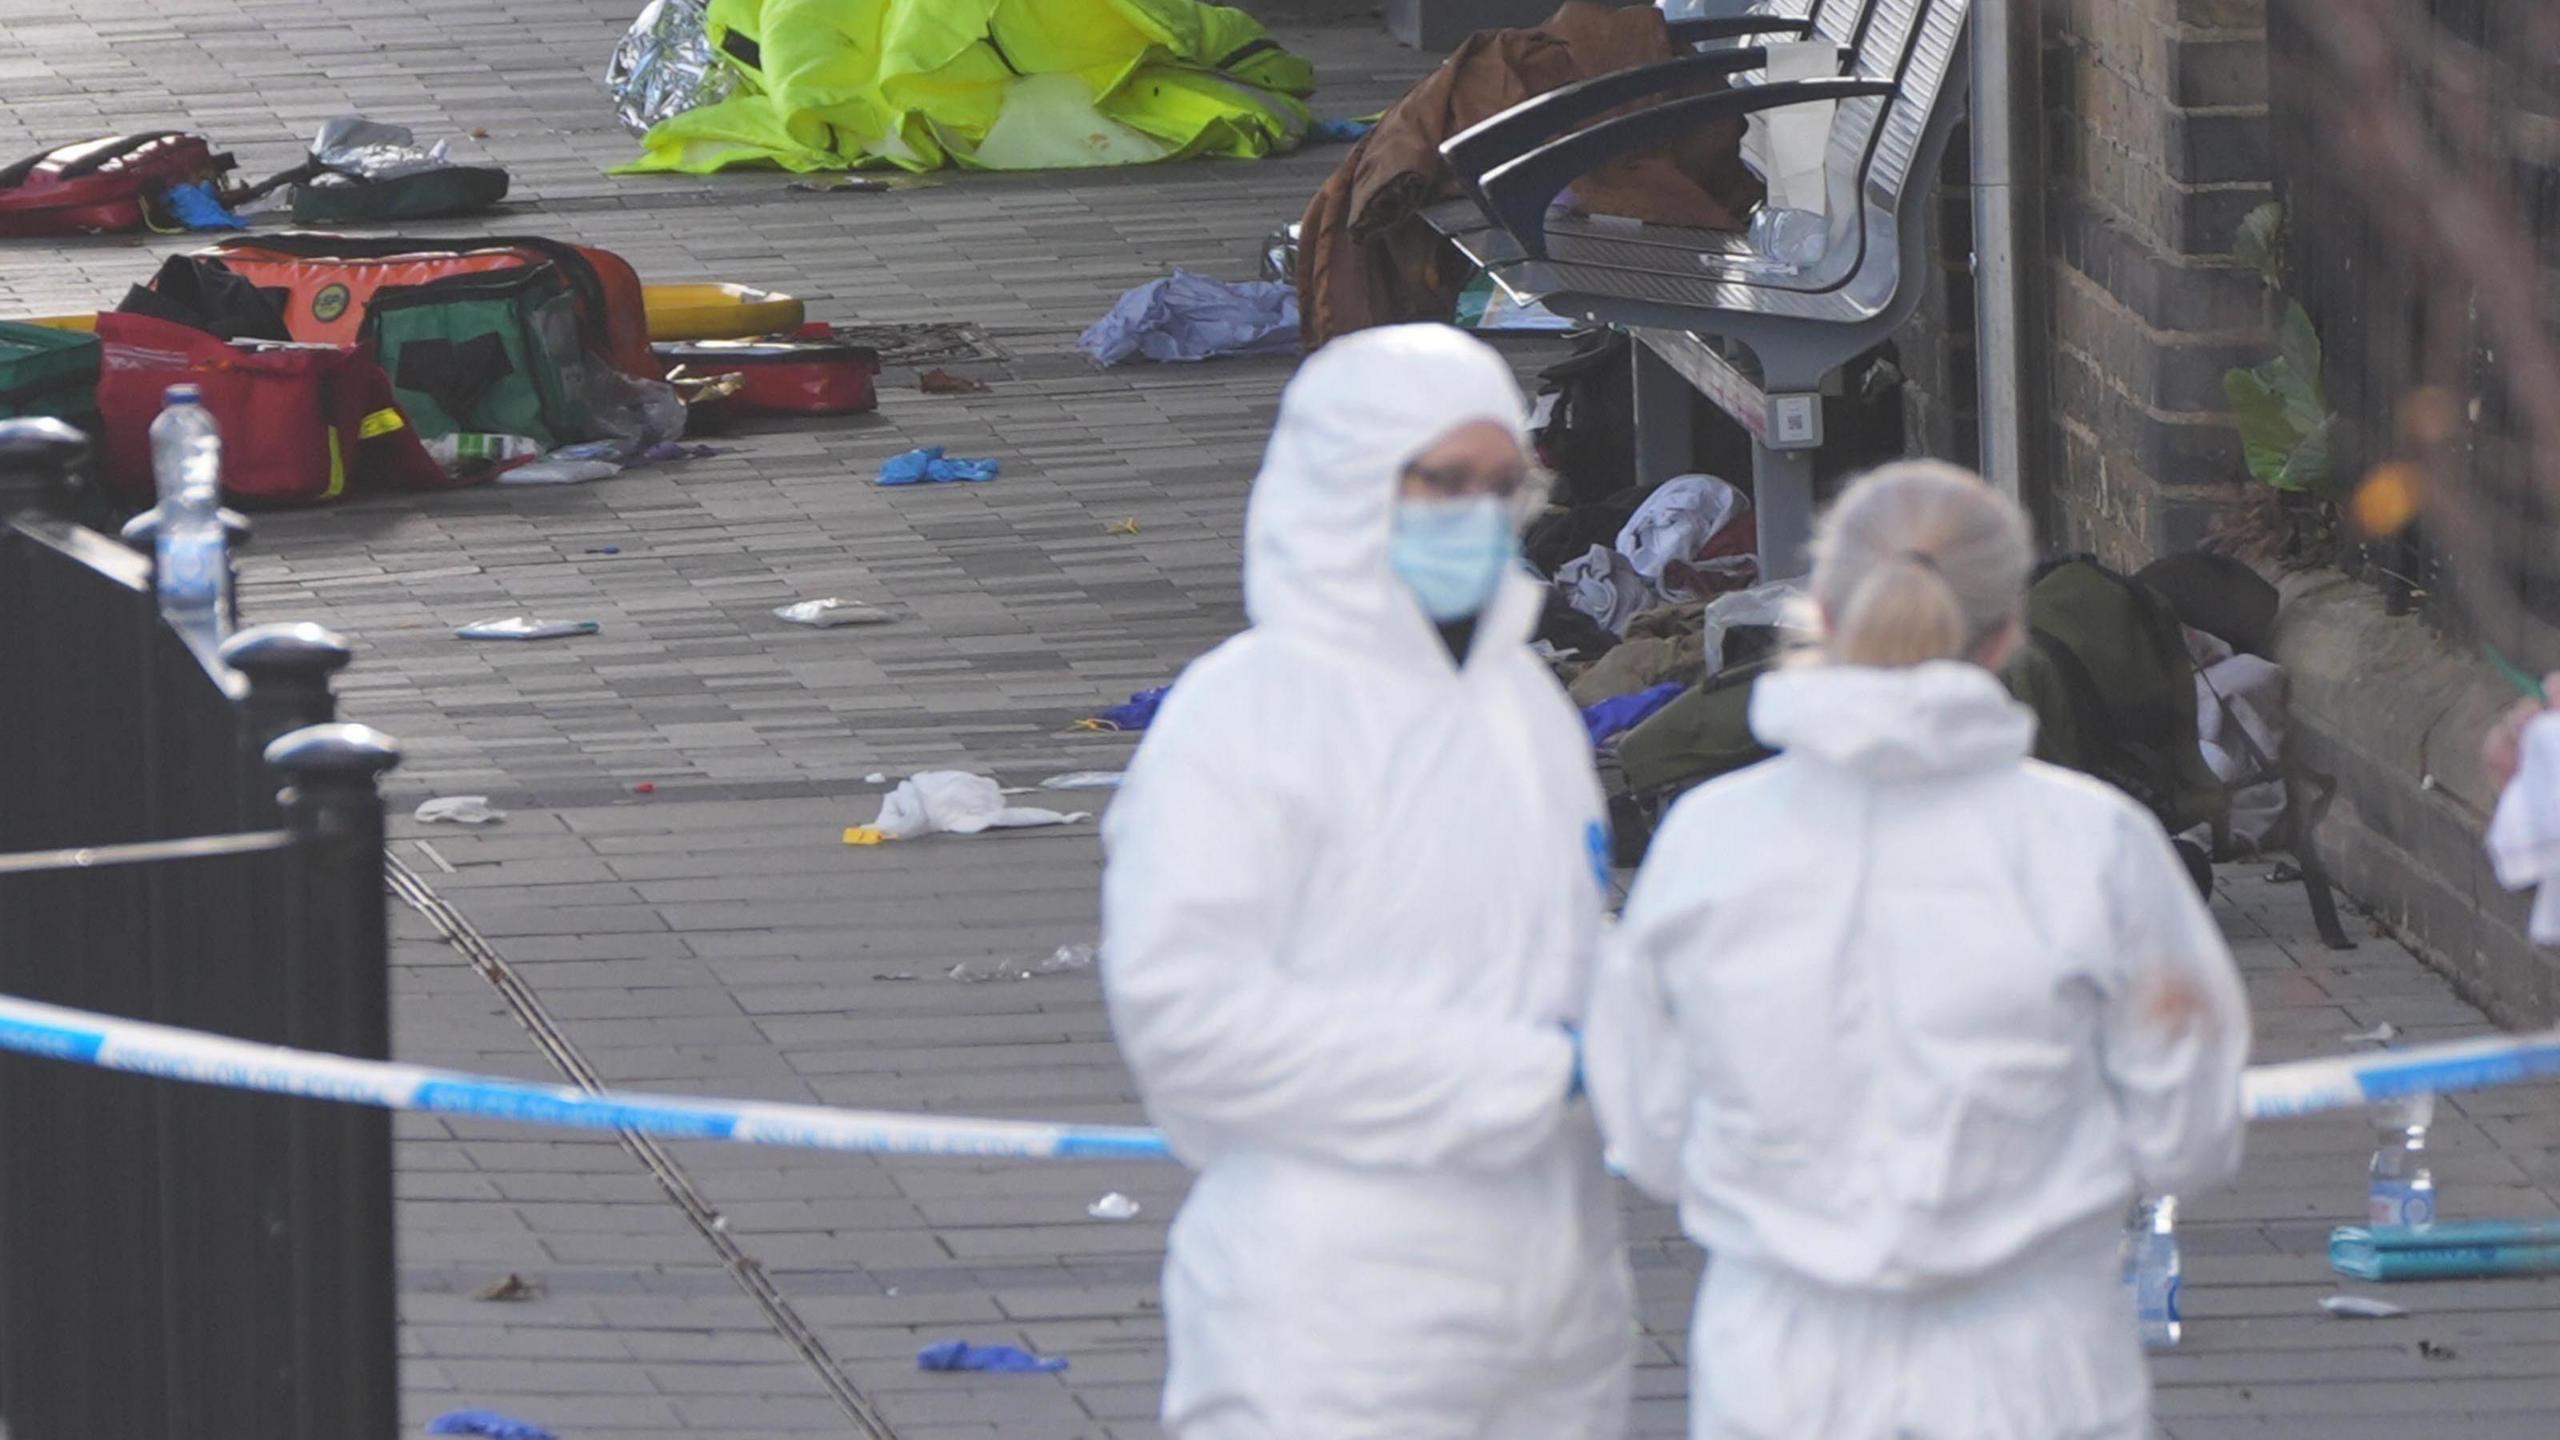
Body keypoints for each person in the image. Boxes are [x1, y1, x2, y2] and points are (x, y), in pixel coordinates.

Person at [1583, 460, 2252, 1440]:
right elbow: (2189, 1131)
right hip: (2029, 1358)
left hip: (1783, 1351)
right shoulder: (2097, 846)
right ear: (2010, 632)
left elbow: (1645, 1126)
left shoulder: (1707, 842)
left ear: (1815, 617)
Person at [1099, 323, 1632, 1440]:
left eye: (1503, 485)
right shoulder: (1249, 718)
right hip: (1335, 1306)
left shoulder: (1520, 710)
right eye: (1443, 482)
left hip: (1552, 1280)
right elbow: (1189, 1023)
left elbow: (1557, 947)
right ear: (1347, 484)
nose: (1478, 515)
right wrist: (1503, 1076)